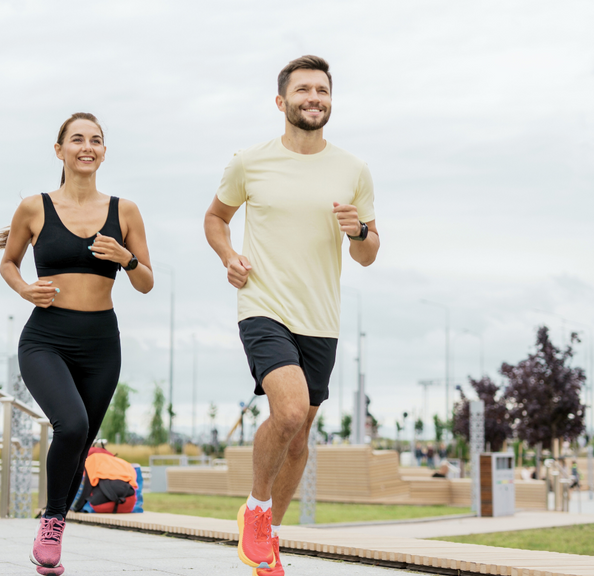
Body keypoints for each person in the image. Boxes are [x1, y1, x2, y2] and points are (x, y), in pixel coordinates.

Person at [204, 55, 379, 576]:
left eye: (322, 91)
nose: (314, 98)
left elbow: (368, 253)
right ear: (282, 102)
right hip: (264, 306)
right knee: (288, 413)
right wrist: (228, 255)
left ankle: (268, 539)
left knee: (300, 440)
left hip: (320, 319)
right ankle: (257, 510)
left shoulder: (353, 170)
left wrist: (358, 232)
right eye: (303, 90)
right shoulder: (249, 162)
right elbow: (216, 218)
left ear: (331, 101)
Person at [0, 112, 153, 575]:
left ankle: (55, 528)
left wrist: (126, 258)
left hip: (102, 342)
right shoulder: (34, 207)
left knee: (82, 438)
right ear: (59, 149)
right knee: (72, 424)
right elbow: (8, 262)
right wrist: (25, 288)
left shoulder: (124, 211)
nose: (88, 147)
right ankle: (52, 521)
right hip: (46, 337)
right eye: (78, 139)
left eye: (97, 140)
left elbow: (145, 282)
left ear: (104, 152)